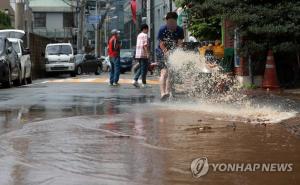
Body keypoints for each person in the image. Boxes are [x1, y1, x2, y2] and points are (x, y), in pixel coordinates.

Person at [156, 12, 184, 101]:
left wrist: (178, 53)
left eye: (173, 22)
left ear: (176, 21)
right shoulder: (162, 29)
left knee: (171, 73)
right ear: (167, 21)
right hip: (161, 52)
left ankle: (167, 93)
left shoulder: (179, 30)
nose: (171, 24)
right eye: (169, 22)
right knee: (164, 73)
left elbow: (179, 43)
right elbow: (161, 43)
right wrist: (165, 51)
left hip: (173, 53)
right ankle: (162, 93)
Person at [133, 24, 150, 88]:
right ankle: (144, 83)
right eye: (147, 29)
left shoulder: (139, 35)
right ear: (144, 29)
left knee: (141, 68)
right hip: (143, 54)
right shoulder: (145, 35)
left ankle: (135, 80)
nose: (148, 30)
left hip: (138, 54)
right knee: (144, 69)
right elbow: (145, 45)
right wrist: (147, 53)